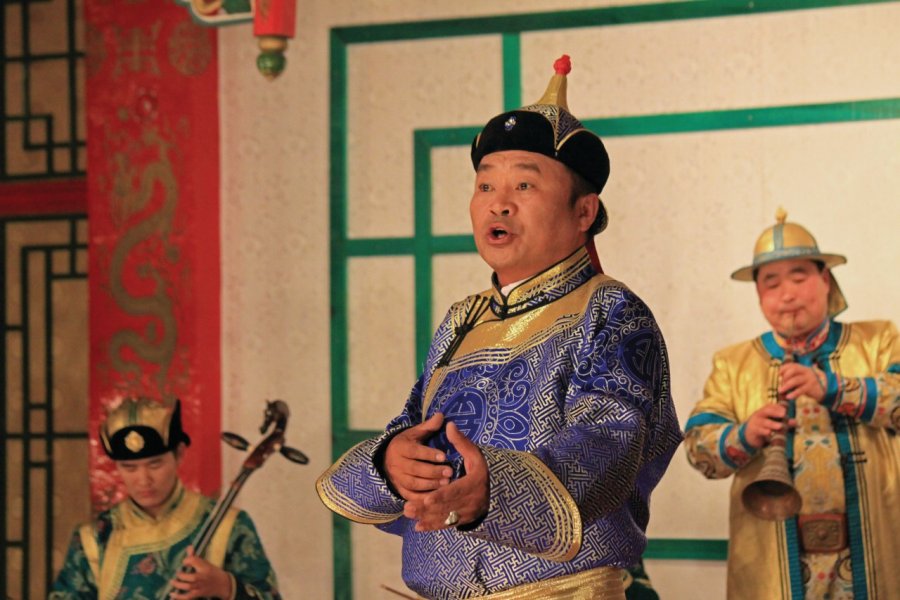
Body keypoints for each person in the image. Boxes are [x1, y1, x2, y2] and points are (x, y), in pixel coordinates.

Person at [316, 55, 682, 599]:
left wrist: (493, 489)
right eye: (486, 187)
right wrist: (394, 464)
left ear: (584, 213)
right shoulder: (463, 319)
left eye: (525, 187)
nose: (500, 205)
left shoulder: (609, 311)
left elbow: (607, 443)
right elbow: (416, 424)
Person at [684, 209, 900, 599]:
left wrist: (832, 388)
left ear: (826, 280)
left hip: (875, 551)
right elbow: (699, 449)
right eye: (771, 283)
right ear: (759, 296)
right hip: (774, 566)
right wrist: (745, 434)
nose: (787, 293)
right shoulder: (733, 364)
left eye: (800, 276)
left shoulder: (878, 340)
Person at [50, 398, 280, 599]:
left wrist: (226, 587)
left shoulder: (227, 525)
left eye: (155, 464)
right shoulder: (95, 538)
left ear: (179, 454)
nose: (143, 479)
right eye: (129, 468)